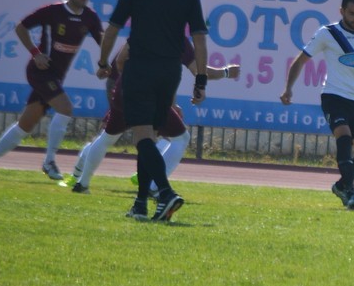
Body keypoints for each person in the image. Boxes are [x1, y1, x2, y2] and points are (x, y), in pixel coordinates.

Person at [96, 0, 209, 222]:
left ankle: (166, 193)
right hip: (170, 72)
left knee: (142, 135)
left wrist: (104, 62)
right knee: (150, 135)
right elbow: (199, 40)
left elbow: (112, 29)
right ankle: (140, 204)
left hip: (140, 69)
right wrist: (201, 80)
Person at [0, 0, 102, 180]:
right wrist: (36, 53)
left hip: (56, 77)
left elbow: (103, 41)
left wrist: (106, 63)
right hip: (40, 72)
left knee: (26, 125)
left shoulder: (90, 17)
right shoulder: (52, 11)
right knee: (65, 108)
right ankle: (49, 161)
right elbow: (21, 27)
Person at [70, 38, 238, 193]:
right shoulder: (178, 39)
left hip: (124, 88)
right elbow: (196, 71)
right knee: (178, 138)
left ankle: (82, 182)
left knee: (108, 137)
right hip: (150, 96)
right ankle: (154, 187)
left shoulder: (143, 26)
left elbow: (121, 60)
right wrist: (226, 72)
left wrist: (130, 80)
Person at [280, 0, 354, 210]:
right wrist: (288, 88)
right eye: (352, 13)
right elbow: (300, 60)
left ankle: (341, 186)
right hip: (333, 97)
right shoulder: (327, 33)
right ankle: (351, 193)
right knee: (344, 138)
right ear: (341, 11)